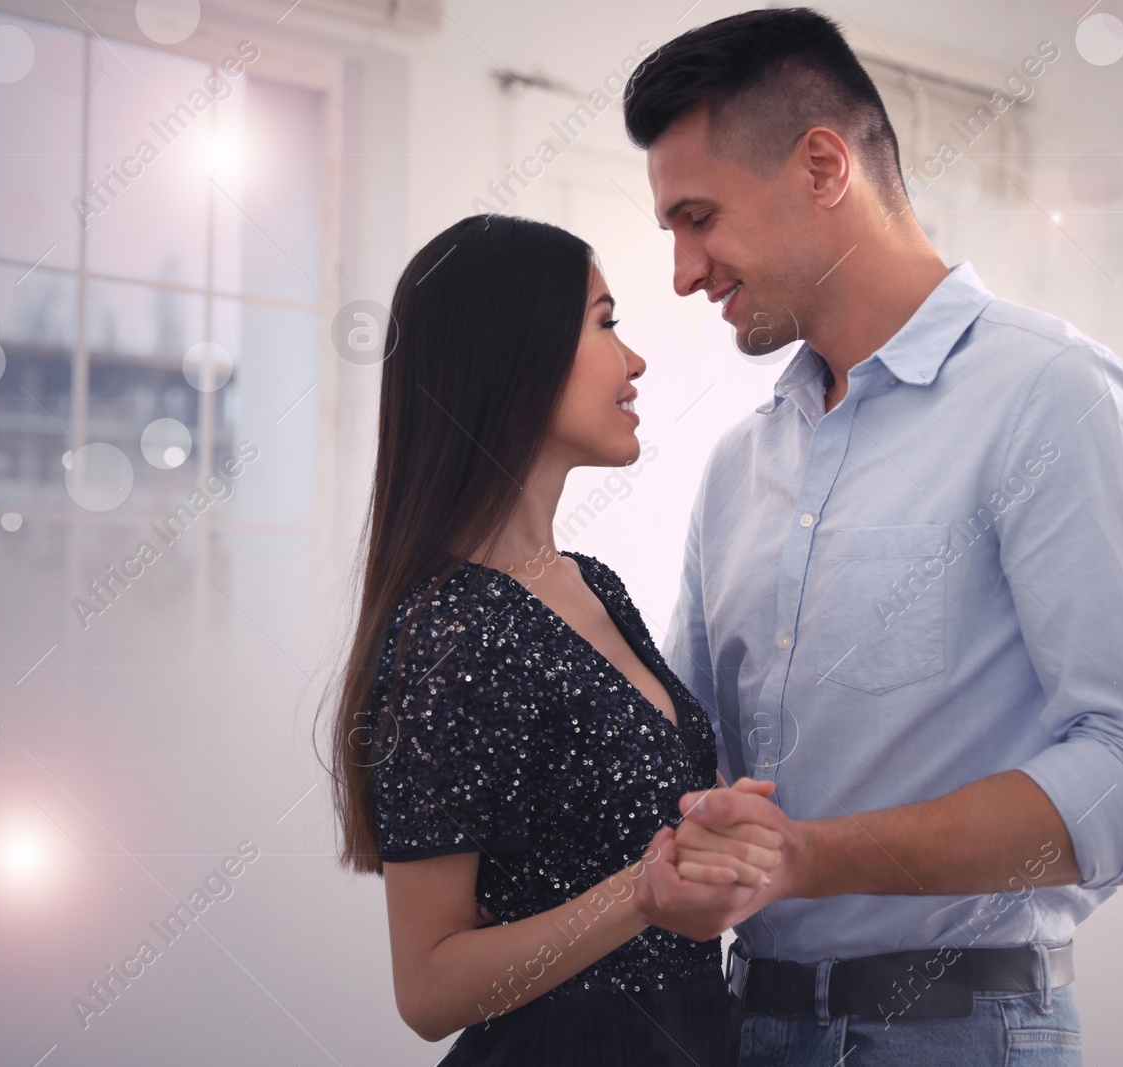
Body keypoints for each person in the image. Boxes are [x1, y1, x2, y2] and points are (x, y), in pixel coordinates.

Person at [619, 9, 1123, 1066]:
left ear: (821, 164)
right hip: (739, 1030)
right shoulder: (734, 467)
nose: (682, 270)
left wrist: (809, 858)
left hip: (957, 1035)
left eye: (697, 217)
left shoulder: (1053, 403)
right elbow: (693, 761)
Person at [329, 213, 784, 1066]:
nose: (634, 360)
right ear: (515, 354)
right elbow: (427, 988)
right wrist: (643, 896)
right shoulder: (453, 630)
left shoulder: (591, 582)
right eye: (607, 323)